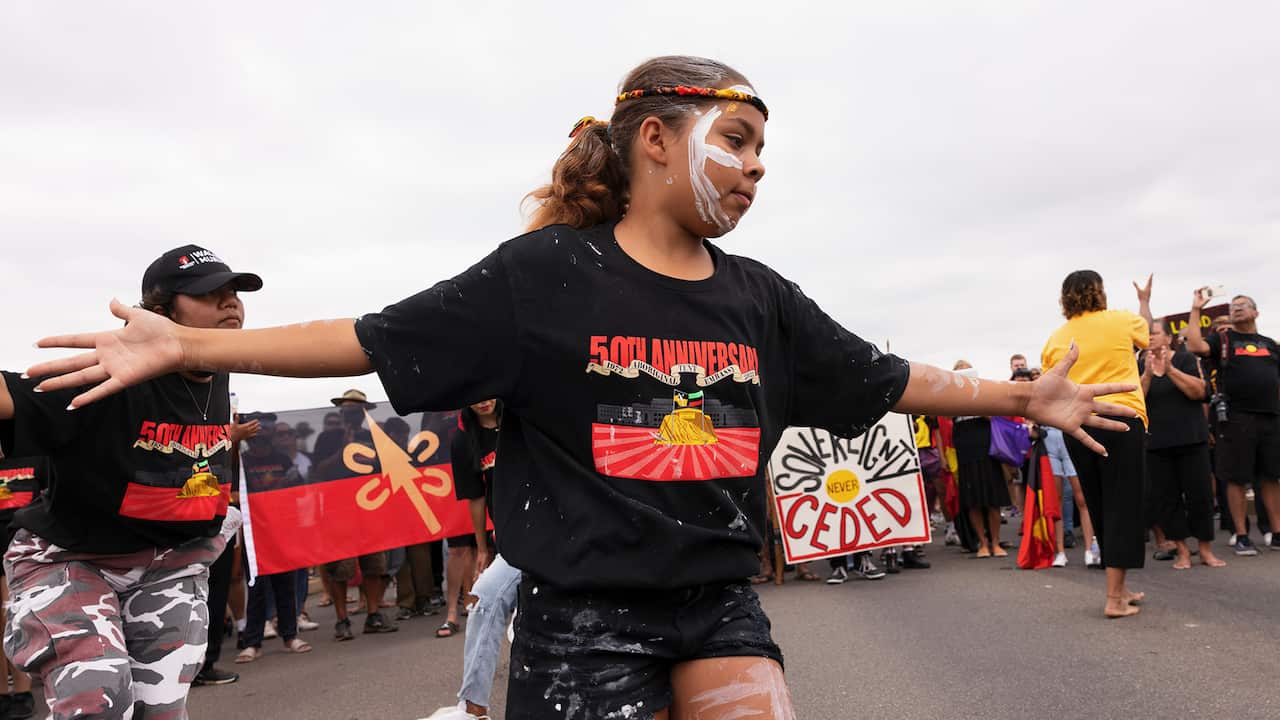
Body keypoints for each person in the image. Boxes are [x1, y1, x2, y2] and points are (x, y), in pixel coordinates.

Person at [23, 56, 1133, 719]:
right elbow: (365, 337)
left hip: (719, 604)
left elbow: (889, 377)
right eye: (733, 141)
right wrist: (189, 349)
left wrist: (1019, 398)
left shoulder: (758, 297)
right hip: (581, 620)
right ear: (656, 139)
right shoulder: (543, 278)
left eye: (762, 153)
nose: (753, 168)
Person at [0, 244, 257, 716]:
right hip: (73, 559)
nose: (229, 302)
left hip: (170, 563)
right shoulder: (111, 373)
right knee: (101, 697)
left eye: (233, 292)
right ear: (157, 314)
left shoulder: (221, 366)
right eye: (208, 294)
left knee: (161, 711)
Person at [1042, 270, 1150, 618]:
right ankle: (1114, 598)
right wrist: (1144, 301)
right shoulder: (1120, 321)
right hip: (1121, 418)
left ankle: (1120, 588)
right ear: (1099, 292)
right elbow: (1147, 335)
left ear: (1065, 298)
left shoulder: (1056, 338)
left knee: (1101, 504)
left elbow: (1050, 386)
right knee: (1123, 505)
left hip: (1078, 426)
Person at [1184, 291, 1280, 555]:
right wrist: (1195, 309)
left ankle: (1277, 531)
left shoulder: (1270, 344)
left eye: (1243, 305)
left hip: (1270, 418)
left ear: (1256, 313)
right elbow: (1195, 345)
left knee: (1271, 477)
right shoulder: (1223, 339)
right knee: (1236, 479)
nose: (1237, 309)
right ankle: (1241, 535)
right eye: (1233, 306)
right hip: (1236, 419)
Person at [311, 389, 398, 639]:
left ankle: (373, 615)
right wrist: (343, 450)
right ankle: (342, 619)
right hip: (338, 510)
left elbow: (386, 469)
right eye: (348, 409)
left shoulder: (371, 436)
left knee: (375, 563)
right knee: (340, 565)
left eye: (357, 409)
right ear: (341, 411)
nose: (353, 414)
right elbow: (318, 471)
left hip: (370, 507)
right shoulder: (327, 438)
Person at [1141, 318, 1225, 569]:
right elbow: (1137, 400)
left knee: (1200, 494)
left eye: (1154, 333)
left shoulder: (1186, 359)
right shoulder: (1139, 362)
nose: (1150, 338)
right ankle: (1182, 552)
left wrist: (1171, 371)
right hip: (1157, 444)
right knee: (1168, 499)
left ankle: (1205, 550)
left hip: (1191, 438)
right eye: (1147, 334)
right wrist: (1147, 374)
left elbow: (1199, 392)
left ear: (1168, 338)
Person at [235, 413, 313, 662]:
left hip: (281, 530)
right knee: (256, 588)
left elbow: (299, 491)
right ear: (249, 443)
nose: (260, 446)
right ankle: (252, 643)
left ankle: (290, 636)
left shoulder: (281, 459)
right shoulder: (241, 462)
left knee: (285, 584)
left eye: (264, 441)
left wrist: (281, 485)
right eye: (256, 441)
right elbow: (235, 495)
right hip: (253, 533)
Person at [436, 401, 501, 641]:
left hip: (539, 513)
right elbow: (475, 495)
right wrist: (482, 546)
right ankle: (457, 611)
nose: (483, 402)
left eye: (488, 395)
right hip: (503, 522)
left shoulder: (519, 420)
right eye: (475, 398)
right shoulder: (463, 439)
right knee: (459, 551)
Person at [0, 453, 44, 720]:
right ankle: (3, 693)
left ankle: (23, 690)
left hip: (18, 552)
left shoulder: (30, 461)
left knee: (13, 617)